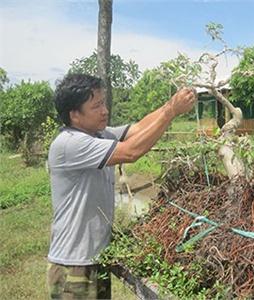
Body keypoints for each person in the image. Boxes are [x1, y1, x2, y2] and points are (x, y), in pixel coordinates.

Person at [46, 73, 197, 299]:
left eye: (103, 103)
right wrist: (171, 111)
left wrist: (171, 103)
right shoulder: (70, 143)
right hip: (74, 266)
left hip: (94, 259)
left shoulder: (98, 135)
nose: (105, 110)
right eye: (96, 106)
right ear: (75, 115)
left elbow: (136, 129)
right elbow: (131, 151)